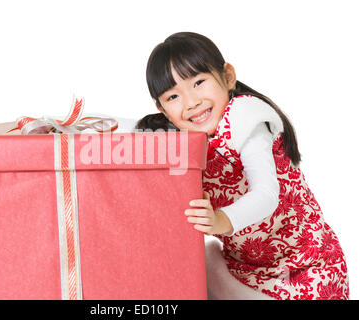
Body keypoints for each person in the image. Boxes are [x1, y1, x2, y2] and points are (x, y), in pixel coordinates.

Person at [136, 32, 349, 300]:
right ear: (163, 109)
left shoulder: (244, 117)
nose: (191, 103)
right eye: (173, 97)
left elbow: (266, 195)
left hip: (306, 267)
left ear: (227, 77)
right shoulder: (184, 140)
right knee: (199, 262)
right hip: (246, 271)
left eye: (199, 82)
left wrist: (220, 220)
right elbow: (128, 136)